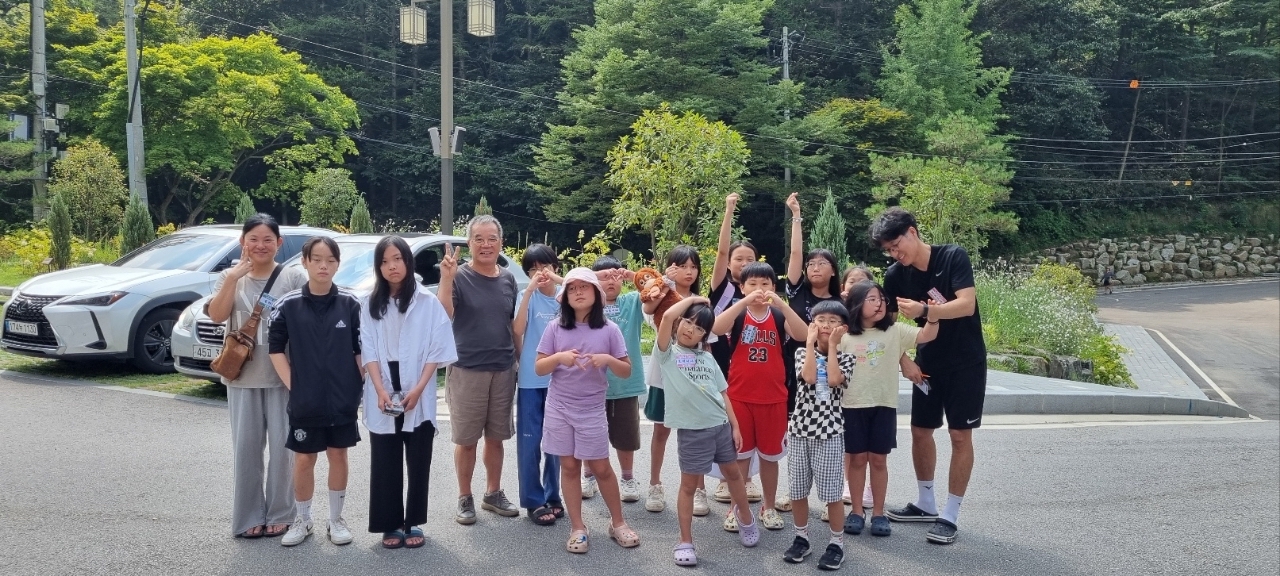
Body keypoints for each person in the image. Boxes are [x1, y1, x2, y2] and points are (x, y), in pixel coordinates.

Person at [871, 207, 987, 545]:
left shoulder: (952, 257)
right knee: (921, 430)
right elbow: (886, 322)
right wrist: (903, 358)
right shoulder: (895, 276)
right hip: (927, 362)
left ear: (912, 231)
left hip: (966, 362)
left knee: (960, 435)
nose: (895, 254)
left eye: (896, 245)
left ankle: (950, 513)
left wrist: (926, 311)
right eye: (888, 250)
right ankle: (926, 503)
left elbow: (966, 304)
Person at [206, 214, 309, 540]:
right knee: (246, 450)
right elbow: (217, 315)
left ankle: (281, 513)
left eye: (268, 240)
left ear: (279, 243)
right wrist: (235, 277)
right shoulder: (228, 276)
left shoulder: (292, 277)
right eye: (254, 239)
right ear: (243, 242)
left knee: (283, 450)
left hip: (282, 377)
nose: (260, 245)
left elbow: (303, 327)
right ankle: (248, 516)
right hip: (242, 378)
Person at [360, 236, 457, 549]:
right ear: (379, 267)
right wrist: (378, 389)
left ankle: (413, 520)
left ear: (407, 261)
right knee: (385, 457)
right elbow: (369, 349)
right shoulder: (369, 303)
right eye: (385, 261)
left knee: (418, 457)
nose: (392, 266)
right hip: (383, 386)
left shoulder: (427, 302)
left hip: (419, 385)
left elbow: (437, 347)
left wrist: (419, 388)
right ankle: (390, 524)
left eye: (397, 259)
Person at [267, 237, 364, 547]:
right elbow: (275, 348)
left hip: (341, 400)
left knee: (338, 455)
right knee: (304, 459)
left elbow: (361, 349)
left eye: (330, 260)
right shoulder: (289, 303)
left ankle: (335, 520)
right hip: (305, 401)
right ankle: (303, 519)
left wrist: (357, 384)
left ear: (338, 264)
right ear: (305, 262)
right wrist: (294, 384)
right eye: (317, 259)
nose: (324, 265)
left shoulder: (350, 303)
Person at [533, 268, 639, 554]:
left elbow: (626, 370)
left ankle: (618, 523)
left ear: (596, 293)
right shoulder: (555, 328)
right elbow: (539, 367)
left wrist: (606, 358)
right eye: (571, 288)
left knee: (602, 467)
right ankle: (578, 527)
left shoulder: (609, 329)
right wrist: (559, 357)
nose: (578, 292)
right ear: (565, 296)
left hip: (592, 408)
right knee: (569, 466)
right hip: (558, 406)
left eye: (584, 287)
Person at [656, 296, 758, 567]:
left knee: (735, 475)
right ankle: (685, 541)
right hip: (692, 431)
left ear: (705, 335)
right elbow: (666, 317)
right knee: (689, 486)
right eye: (688, 322)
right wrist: (693, 299)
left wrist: (735, 426)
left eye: (700, 328)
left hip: (721, 426)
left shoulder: (708, 358)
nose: (691, 329)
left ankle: (746, 518)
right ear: (680, 322)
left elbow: (723, 395)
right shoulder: (667, 352)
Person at [711, 262, 809, 532]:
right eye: (752, 284)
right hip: (740, 397)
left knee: (770, 457)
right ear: (741, 288)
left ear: (774, 288)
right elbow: (717, 328)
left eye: (765, 284)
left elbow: (803, 334)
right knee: (740, 457)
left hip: (774, 398)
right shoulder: (739, 316)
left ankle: (768, 506)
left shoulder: (778, 316)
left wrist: (783, 305)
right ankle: (736, 508)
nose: (759, 289)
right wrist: (741, 304)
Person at [438, 215, 522, 525]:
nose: (486, 244)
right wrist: (447, 277)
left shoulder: (508, 279)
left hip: (502, 368)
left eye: (491, 239)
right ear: (469, 242)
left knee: (497, 438)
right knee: (467, 439)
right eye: (479, 239)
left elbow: (513, 326)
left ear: (501, 242)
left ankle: (493, 493)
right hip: (467, 368)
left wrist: (521, 361)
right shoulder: (459, 276)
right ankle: (464, 496)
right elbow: (444, 313)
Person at [839, 281, 937, 540]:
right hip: (852, 405)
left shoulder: (894, 331)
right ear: (857, 304)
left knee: (879, 460)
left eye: (881, 299)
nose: (879, 303)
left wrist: (932, 314)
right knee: (857, 459)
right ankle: (857, 511)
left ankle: (879, 513)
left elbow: (926, 335)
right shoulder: (845, 336)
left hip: (884, 405)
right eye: (872, 299)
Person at [778, 192, 843, 513]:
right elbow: (794, 252)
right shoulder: (796, 291)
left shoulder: (842, 305)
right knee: (796, 429)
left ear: (833, 270)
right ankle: (796, 489)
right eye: (811, 264)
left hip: (832, 374)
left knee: (830, 430)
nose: (815, 267)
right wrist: (796, 215)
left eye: (823, 263)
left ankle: (833, 490)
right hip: (796, 370)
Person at [785, 300, 855, 570]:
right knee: (797, 489)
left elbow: (835, 379)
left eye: (833, 321)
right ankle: (802, 537)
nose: (826, 325)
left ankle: (837, 542)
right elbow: (810, 377)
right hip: (800, 430)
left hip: (830, 432)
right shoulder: (803, 352)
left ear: (843, 328)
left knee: (832, 493)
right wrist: (812, 344)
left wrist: (834, 348)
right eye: (821, 320)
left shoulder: (847, 357)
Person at [642, 245, 710, 515]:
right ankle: (655, 485)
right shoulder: (660, 295)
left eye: (693, 266)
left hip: (693, 376)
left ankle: (698, 489)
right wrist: (663, 281)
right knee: (661, 430)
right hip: (663, 375)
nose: (689, 272)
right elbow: (648, 310)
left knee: (695, 432)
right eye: (682, 266)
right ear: (670, 267)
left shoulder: (702, 300)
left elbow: (707, 341)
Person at [707, 192, 764, 506]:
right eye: (738, 258)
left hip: (748, 363)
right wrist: (728, 210)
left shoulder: (760, 290)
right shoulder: (722, 287)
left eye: (749, 259)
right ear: (729, 263)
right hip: (719, 361)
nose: (744, 263)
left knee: (746, 420)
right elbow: (719, 250)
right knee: (722, 421)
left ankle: (749, 477)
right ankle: (723, 480)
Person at [580, 257, 646, 505]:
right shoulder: (586, 307)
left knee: (626, 435)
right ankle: (589, 476)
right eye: (603, 276)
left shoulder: (632, 302)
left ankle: (627, 478)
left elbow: (662, 286)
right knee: (588, 433)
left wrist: (632, 276)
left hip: (625, 384)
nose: (610, 281)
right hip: (589, 385)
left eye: (614, 276)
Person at [513, 244, 565, 526]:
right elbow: (518, 330)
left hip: (561, 380)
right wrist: (530, 290)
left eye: (545, 266)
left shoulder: (565, 295)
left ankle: (553, 495)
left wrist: (556, 281)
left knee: (556, 442)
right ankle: (533, 501)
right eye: (533, 269)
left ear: (556, 267)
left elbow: (584, 294)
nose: (540, 273)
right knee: (530, 441)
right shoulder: (526, 296)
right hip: (532, 381)